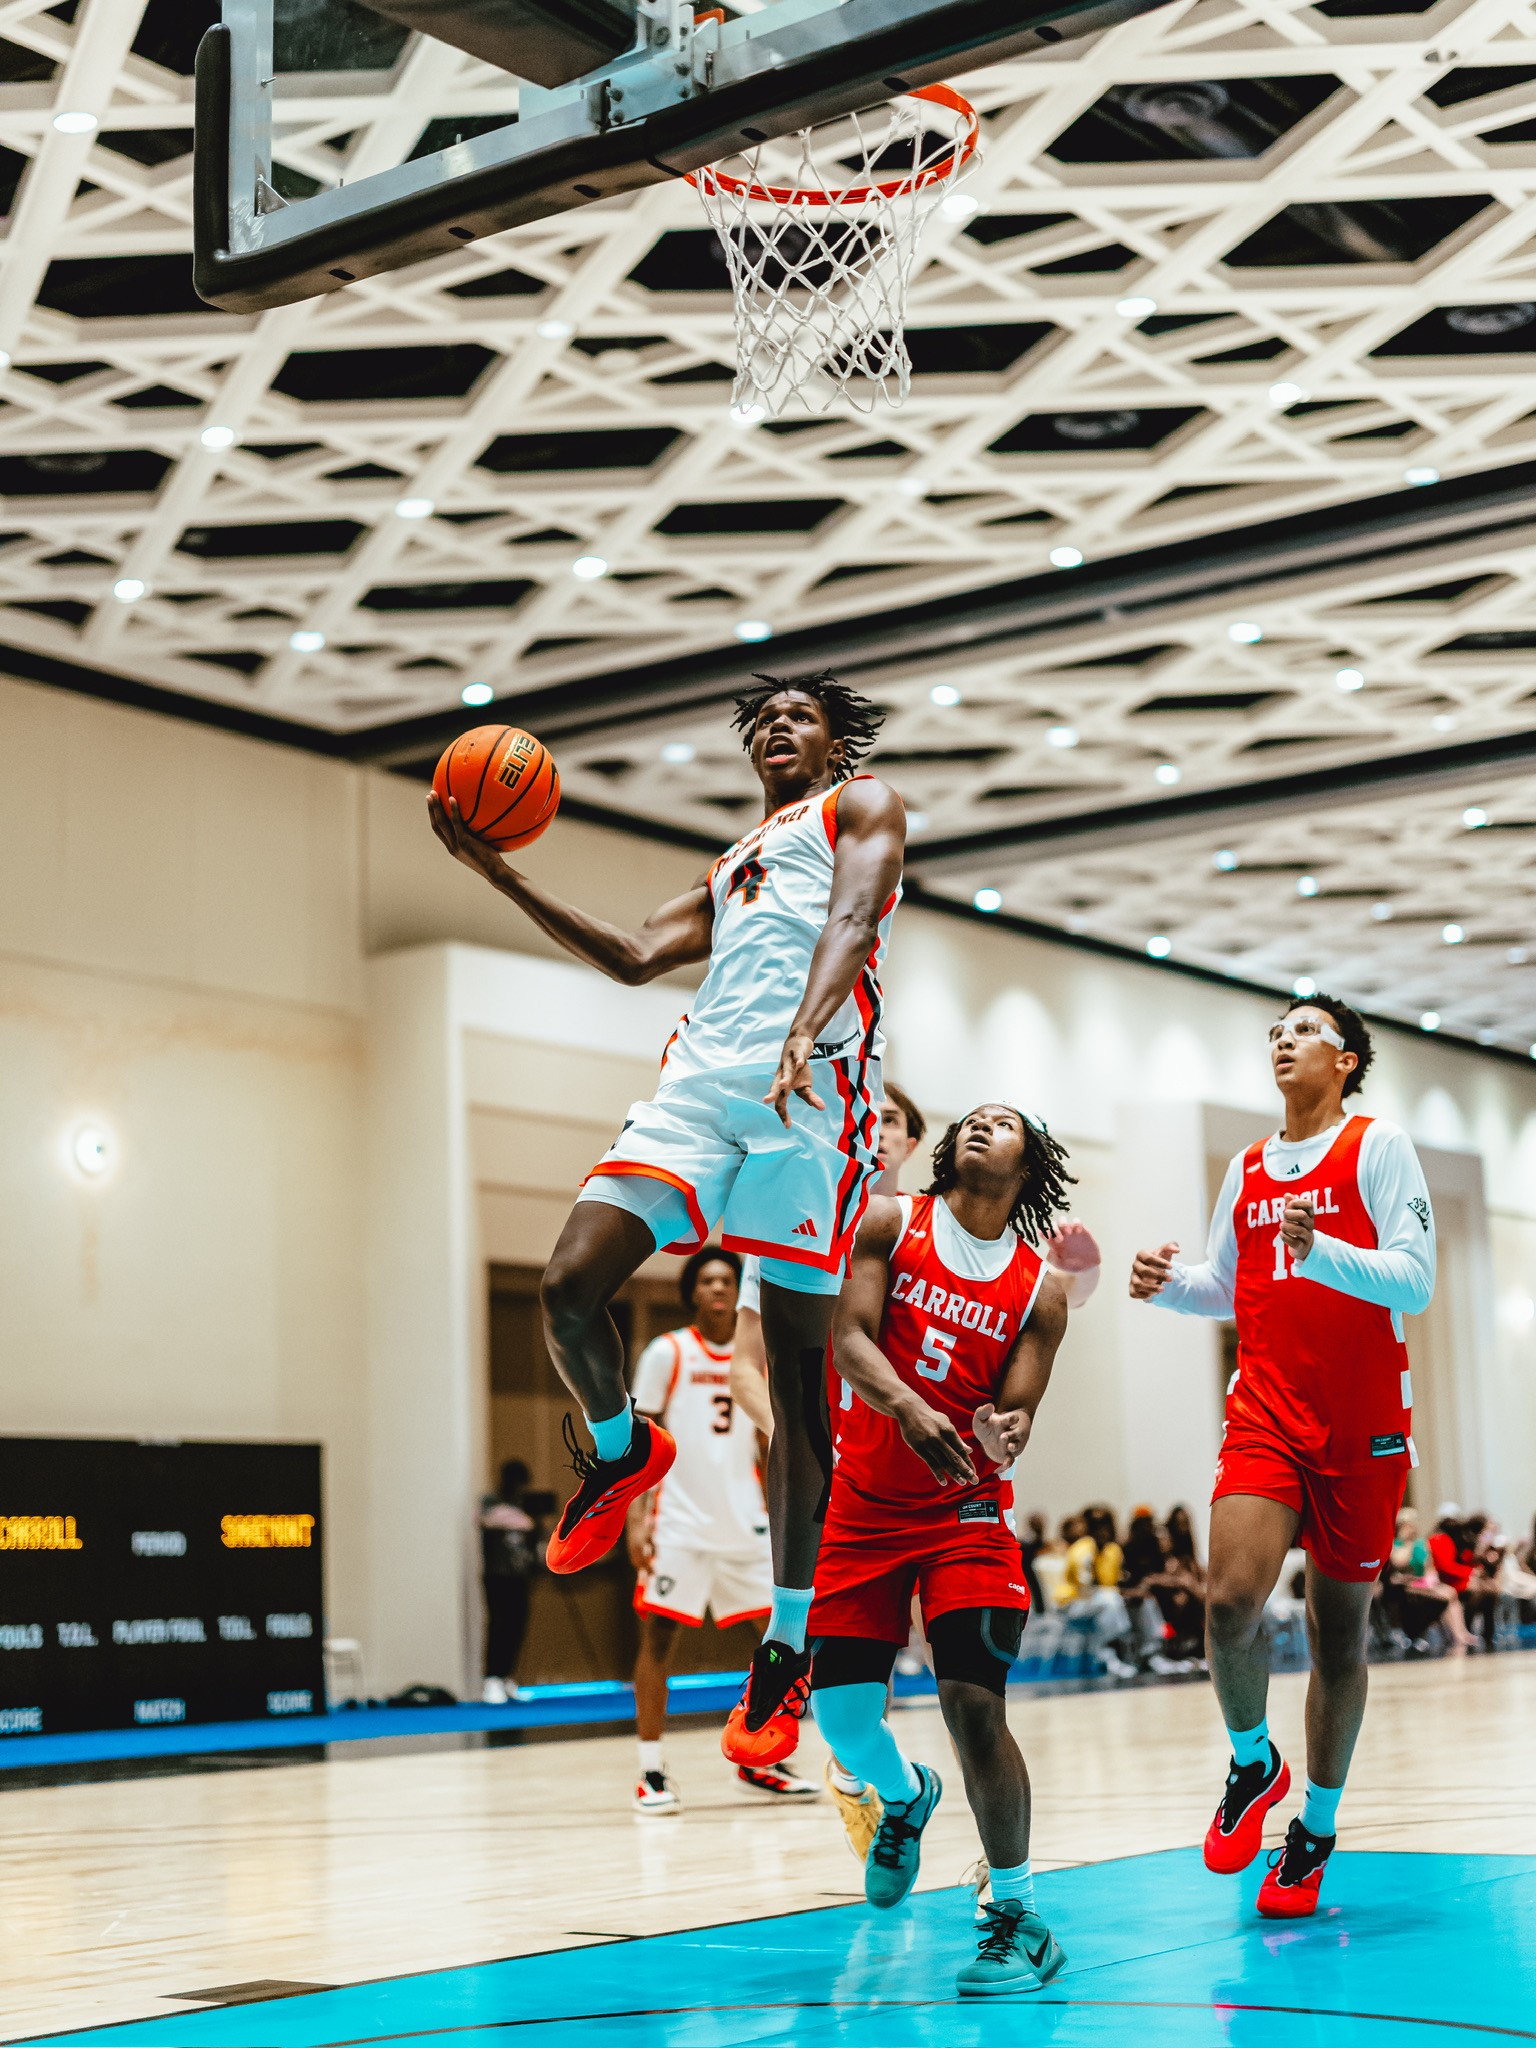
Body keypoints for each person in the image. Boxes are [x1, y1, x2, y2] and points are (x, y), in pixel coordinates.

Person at [429, 670, 906, 1758]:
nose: (779, 725)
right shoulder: (732, 865)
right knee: (566, 1285)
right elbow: (636, 956)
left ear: (836, 740)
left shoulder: (861, 807)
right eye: (763, 717)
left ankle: (788, 1636)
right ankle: (616, 1445)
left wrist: (809, 1023)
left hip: (811, 1097)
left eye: (800, 713)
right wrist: (498, 870)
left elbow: (854, 912)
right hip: (696, 1093)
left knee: (796, 1382)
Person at [1130, 992, 1434, 1918]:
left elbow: (1414, 1280)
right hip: (1266, 1411)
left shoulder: (1377, 1146)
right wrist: (1166, 1287)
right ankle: (1253, 1762)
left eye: (1305, 1032)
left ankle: (1315, 1831)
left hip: (1365, 1424)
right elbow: (1226, 1284)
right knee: (1228, 1603)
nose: (1284, 1043)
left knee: (1339, 1635)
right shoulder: (1250, 1165)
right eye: (1275, 1033)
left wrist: (1322, 1247)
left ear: (1346, 1061)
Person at [811, 1103, 1075, 1997]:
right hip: (863, 1506)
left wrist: (1005, 1431)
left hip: (964, 1512)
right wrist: (911, 1408)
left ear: (1030, 1162)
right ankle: (905, 1797)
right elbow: (848, 1337)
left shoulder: (1040, 1286)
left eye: (1002, 1124)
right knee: (844, 1722)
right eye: (971, 1117)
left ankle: (1017, 1913)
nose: (977, 1125)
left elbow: (1018, 1411)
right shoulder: (891, 1218)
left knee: (971, 1702)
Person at [625, 1246, 815, 1810]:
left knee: (780, 1639)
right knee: (658, 1638)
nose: (716, 1289)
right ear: (691, 1292)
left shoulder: (755, 1358)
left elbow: (769, 1443)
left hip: (746, 1523)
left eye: (725, 1280)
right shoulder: (669, 1352)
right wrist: (636, 1516)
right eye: (705, 1281)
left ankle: (762, 1758)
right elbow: (641, 1441)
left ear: (739, 1291)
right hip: (678, 1521)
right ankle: (651, 1770)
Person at [480, 1459, 540, 1703]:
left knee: (517, 1626)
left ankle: (506, 1676)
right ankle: (491, 1678)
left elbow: (533, 1532)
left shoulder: (524, 1505)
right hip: (497, 1575)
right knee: (499, 1625)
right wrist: (526, 1520)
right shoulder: (491, 1502)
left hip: (519, 1575)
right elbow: (487, 1519)